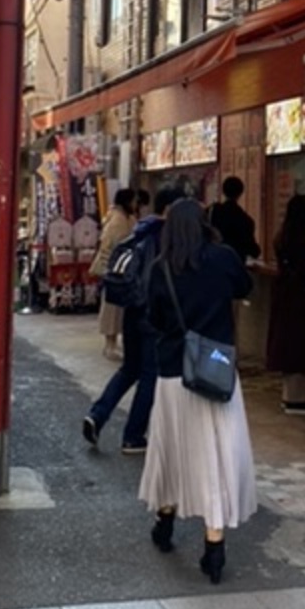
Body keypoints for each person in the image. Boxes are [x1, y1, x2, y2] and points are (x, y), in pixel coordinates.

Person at [139, 197, 257, 585]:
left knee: (171, 448)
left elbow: (154, 318)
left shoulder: (160, 268)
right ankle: (214, 545)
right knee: (216, 455)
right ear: (205, 223)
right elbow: (245, 286)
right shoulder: (223, 258)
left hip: (174, 371)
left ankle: (165, 521)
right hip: (216, 372)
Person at [82, 186, 183, 454]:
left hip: (133, 310)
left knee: (129, 369)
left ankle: (97, 415)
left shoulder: (140, 230)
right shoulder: (166, 237)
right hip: (153, 315)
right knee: (149, 375)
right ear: (170, 209)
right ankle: (133, 436)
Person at [266, 192, 305, 415]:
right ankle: (295, 400)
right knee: (297, 347)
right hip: (296, 298)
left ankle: (288, 395)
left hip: (283, 295)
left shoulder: (282, 237)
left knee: (286, 344)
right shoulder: (301, 242)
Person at [89, 187, 137, 359]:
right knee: (111, 308)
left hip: (120, 267)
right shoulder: (118, 220)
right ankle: (110, 345)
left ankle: (112, 343)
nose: (135, 204)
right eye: (134, 201)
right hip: (114, 268)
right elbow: (113, 246)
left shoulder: (124, 218)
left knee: (117, 309)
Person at [208, 175, 261, 262]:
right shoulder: (245, 220)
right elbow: (253, 250)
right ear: (240, 193)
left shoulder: (212, 212)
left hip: (212, 262)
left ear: (223, 191)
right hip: (234, 264)